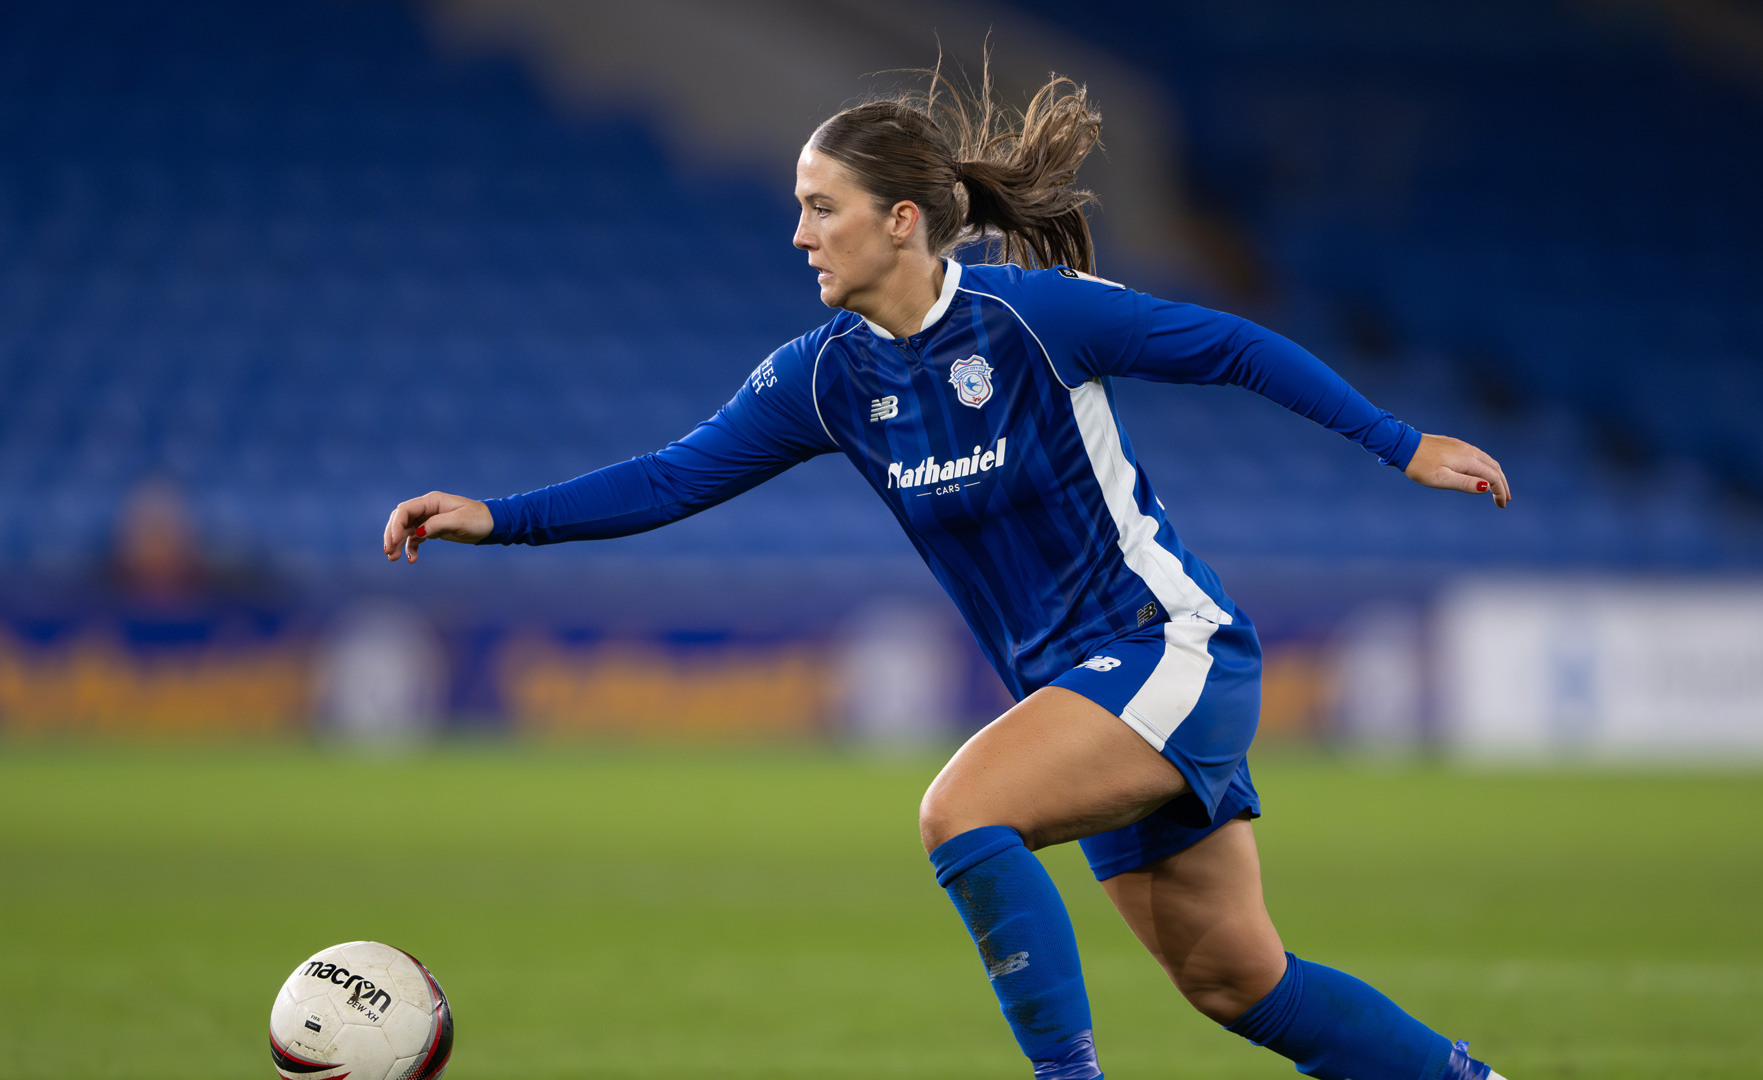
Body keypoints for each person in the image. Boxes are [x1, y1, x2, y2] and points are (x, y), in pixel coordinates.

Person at [382, 73, 1513, 1080]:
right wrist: (499, 518)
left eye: (821, 206)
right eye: (800, 207)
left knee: (962, 810)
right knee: (1241, 987)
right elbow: (673, 479)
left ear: (902, 220)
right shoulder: (820, 380)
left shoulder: (1032, 316)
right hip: (1078, 692)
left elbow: (1231, 344)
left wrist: (1396, 440)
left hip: (1170, 646)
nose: (799, 234)